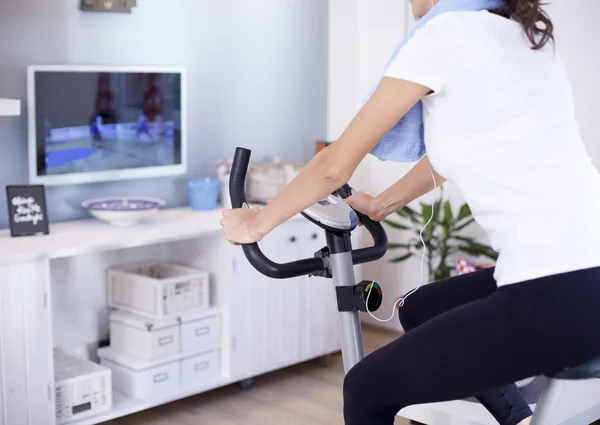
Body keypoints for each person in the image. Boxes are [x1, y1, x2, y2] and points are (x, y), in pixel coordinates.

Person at [220, 0, 600, 424]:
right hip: (587, 277)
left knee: (365, 388)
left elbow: (332, 167)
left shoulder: (443, 35)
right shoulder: (527, 39)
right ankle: (514, 417)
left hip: (554, 292)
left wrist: (256, 223)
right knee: (419, 307)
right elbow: (463, 147)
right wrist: (383, 204)